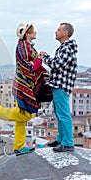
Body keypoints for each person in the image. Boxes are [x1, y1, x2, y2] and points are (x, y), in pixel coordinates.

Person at [0, 23, 49, 155]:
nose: (35, 33)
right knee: (25, 115)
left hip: (23, 86)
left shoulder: (26, 46)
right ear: (28, 34)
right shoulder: (23, 47)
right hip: (23, 86)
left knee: (21, 118)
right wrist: (40, 58)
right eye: (33, 31)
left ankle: (19, 146)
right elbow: (29, 67)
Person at [39, 23, 78, 152]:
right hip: (58, 85)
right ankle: (61, 139)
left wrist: (44, 57)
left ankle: (67, 143)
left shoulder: (67, 48)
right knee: (59, 114)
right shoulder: (64, 48)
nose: (56, 32)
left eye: (58, 29)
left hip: (61, 86)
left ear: (65, 33)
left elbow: (57, 64)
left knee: (63, 114)